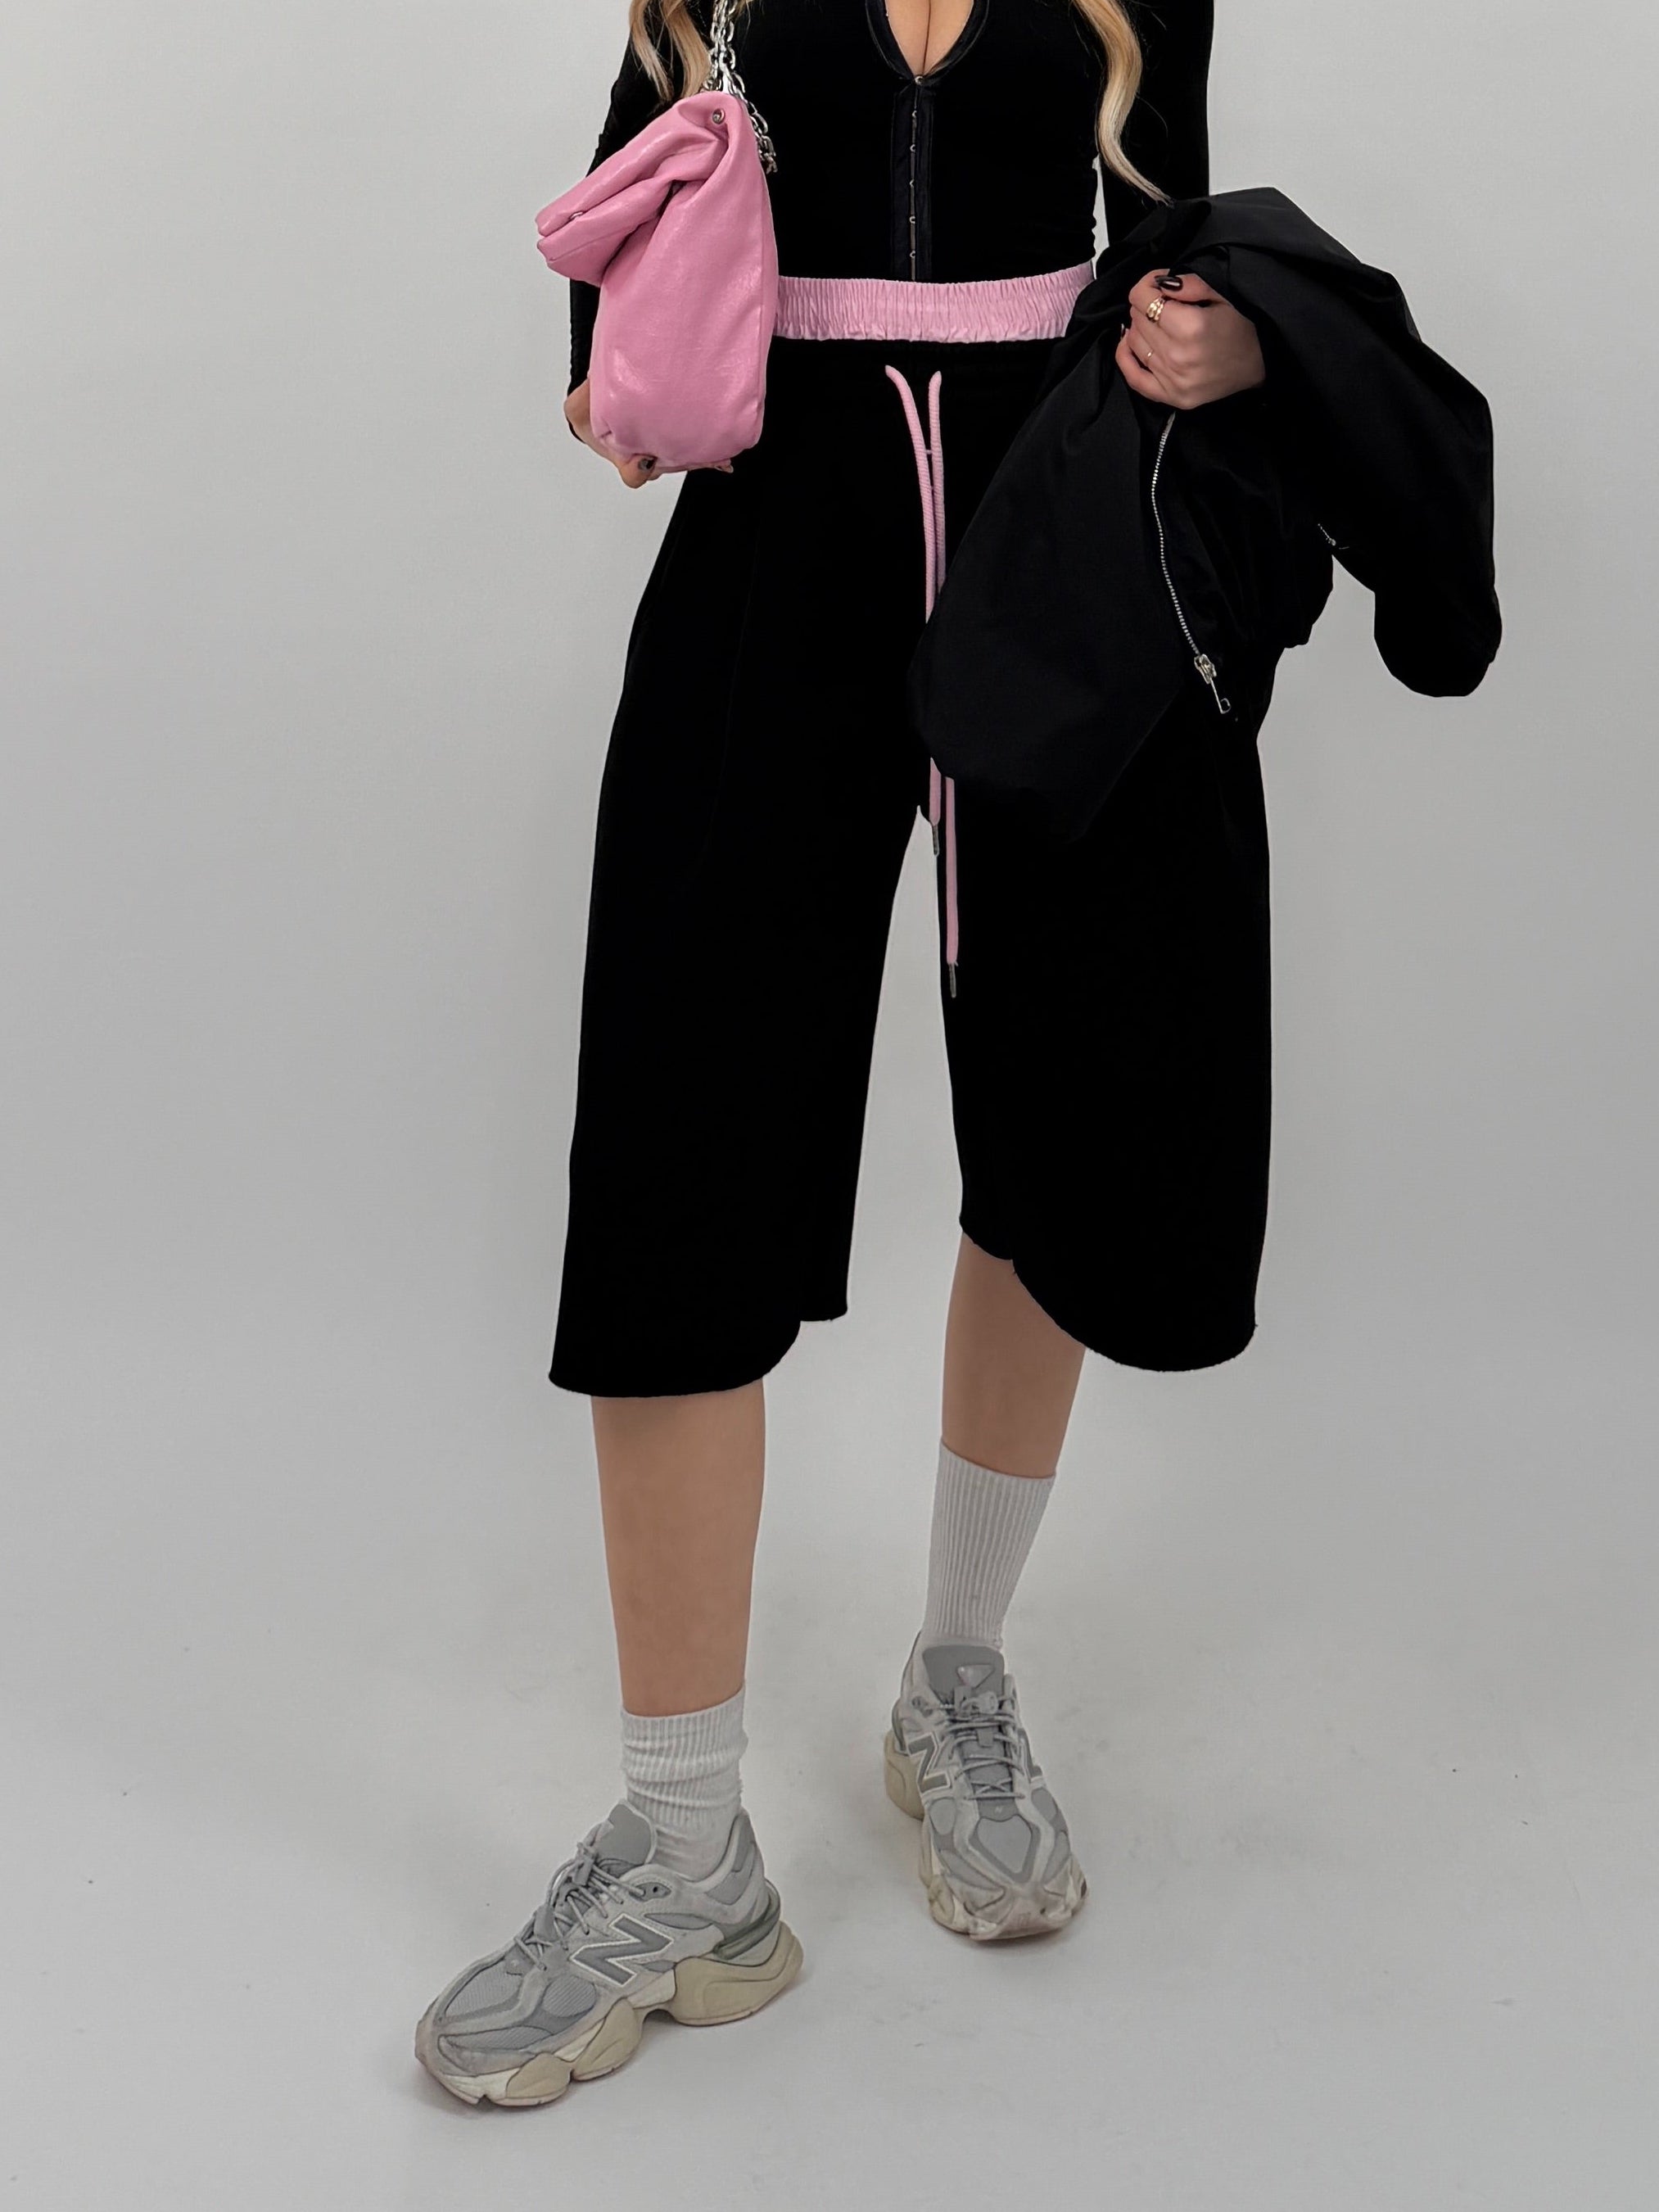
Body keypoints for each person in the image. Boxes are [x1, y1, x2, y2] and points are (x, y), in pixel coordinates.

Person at [417, 0, 1268, 2110]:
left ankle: (955, 1680)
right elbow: (614, 244)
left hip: (1064, 550)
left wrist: (1225, 346)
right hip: (767, 566)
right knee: (675, 1156)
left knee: (1058, 1132)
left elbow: (1185, 240)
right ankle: (683, 1851)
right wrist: (616, 378)